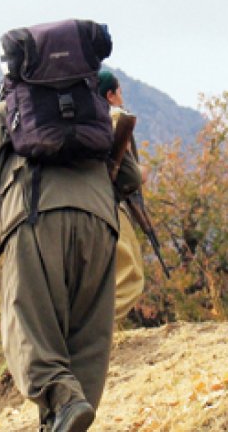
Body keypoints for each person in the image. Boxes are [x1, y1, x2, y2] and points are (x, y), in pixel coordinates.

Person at [0, 89, 141, 430]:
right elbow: (129, 178)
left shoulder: (5, 111)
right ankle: (64, 417)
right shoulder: (97, 107)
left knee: (27, 325)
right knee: (87, 336)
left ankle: (63, 400)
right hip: (99, 223)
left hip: (35, 217)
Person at [97, 70, 146, 322]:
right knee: (130, 277)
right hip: (108, 205)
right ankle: (93, 334)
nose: (122, 97)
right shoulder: (115, 118)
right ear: (110, 95)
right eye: (119, 92)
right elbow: (129, 176)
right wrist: (141, 172)